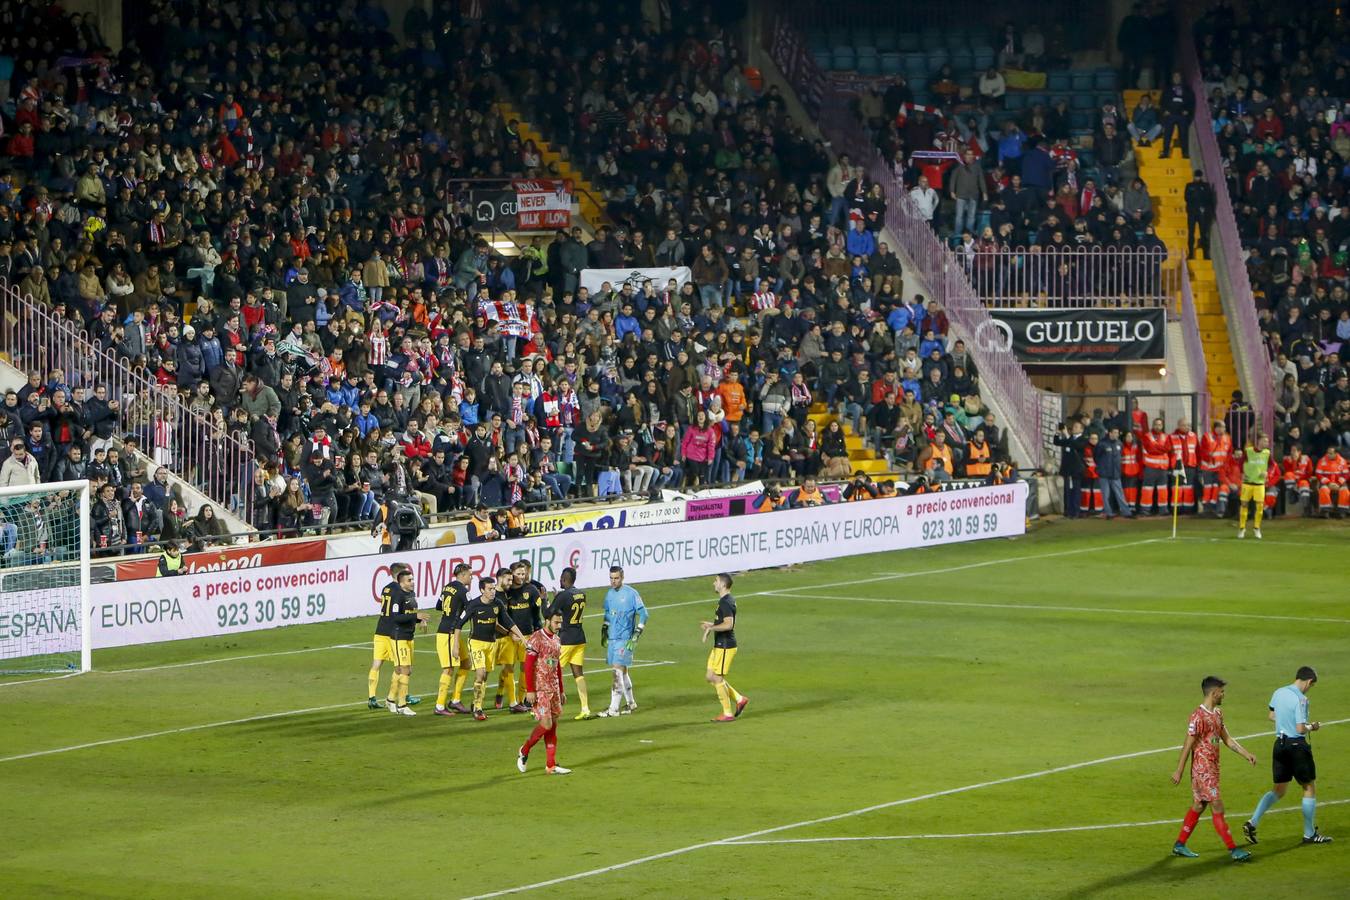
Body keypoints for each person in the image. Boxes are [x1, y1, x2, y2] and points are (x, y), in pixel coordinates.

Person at [1169, 675, 1256, 861]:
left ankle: (1179, 844)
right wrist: (1179, 770)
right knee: (1217, 805)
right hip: (1202, 770)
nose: (1224, 695)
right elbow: (1187, 744)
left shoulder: (1217, 714)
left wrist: (1246, 753)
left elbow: (1227, 740)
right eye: (1222, 691)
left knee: (1199, 805)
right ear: (1214, 692)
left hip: (1213, 769)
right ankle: (1234, 850)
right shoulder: (1198, 716)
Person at [1242, 666, 1332, 846]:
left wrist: (1287, 719)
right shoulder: (1301, 699)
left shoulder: (1279, 692)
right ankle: (1309, 834)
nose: (1309, 688)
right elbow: (1300, 729)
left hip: (1279, 746)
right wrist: (1312, 727)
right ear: (1308, 681)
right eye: (1311, 686)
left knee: (1278, 790)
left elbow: (1271, 715)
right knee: (1308, 787)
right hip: (1297, 747)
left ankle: (1252, 822)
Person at [458, 574, 526, 721]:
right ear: (482, 590)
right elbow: (459, 624)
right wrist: (455, 646)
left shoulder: (497, 604)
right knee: (480, 674)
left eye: (494, 588)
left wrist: (519, 636)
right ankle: (477, 708)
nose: (493, 591)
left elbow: (506, 621)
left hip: (491, 644)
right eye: (490, 589)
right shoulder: (474, 605)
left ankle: (476, 703)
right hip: (476, 642)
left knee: (485, 675)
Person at [516, 605, 571, 775]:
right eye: (556, 622)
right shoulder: (536, 639)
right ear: (547, 620)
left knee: (552, 725)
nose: (559, 626)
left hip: (553, 688)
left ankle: (551, 765)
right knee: (546, 723)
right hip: (540, 689)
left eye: (560, 623)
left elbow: (557, 666)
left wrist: (561, 689)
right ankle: (524, 750)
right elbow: (528, 665)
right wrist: (530, 690)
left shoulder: (556, 639)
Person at [371, 566, 428, 716]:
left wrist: (420, 621)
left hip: (409, 636)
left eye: (413, 579)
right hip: (398, 636)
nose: (413, 582)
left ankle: (390, 700)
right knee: (405, 670)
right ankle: (402, 705)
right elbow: (396, 617)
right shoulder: (397, 595)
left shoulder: (412, 594)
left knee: (401, 670)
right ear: (401, 582)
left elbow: (410, 613)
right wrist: (416, 617)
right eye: (409, 580)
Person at [599, 565, 648, 717]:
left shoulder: (632, 594)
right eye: (611, 578)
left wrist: (636, 634)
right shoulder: (609, 594)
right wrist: (604, 630)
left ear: (622, 577)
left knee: (616, 671)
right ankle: (631, 703)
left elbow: (644, 614)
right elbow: (608, 613)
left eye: (616, 578)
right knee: (623, 672)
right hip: (613, 638)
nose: (613, 581)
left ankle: (613, 709)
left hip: (625, 639)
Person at [499, 560, 544, 712]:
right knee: (508, 668)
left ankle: (521, 699)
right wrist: (508, 632)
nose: (521, 576)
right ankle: (509, 699)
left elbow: (536, 614)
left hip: (528, 635)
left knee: (526, 668)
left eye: (523, 573)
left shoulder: (531, 590)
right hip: (510, 637)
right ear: (512, 574)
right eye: (518, 574)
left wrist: (538, 630)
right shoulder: (507, 592)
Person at [702, 573, 748, 723]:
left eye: (715, 581)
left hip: (726, 646)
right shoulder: (725, 600)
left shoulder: (726, 602)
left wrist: (713, 628)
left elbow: (729, 625)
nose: (713, 583)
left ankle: (727, 713)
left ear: (722, 584)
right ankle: (739, 699)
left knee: (717, 678)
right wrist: (711, 626)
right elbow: (722, 622)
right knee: (710, 676)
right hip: (719, 645)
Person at [551, 566, 593, 720]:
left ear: (564, 579)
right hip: (580, 638)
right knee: (578, 674)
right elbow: (568, 610)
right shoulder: (581, 594)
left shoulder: (563, 595)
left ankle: (547, 707)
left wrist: (546, 600)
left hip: (566, 640)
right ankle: (585, 708)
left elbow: (548, 613)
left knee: (551, 672)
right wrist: (559, 599)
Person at [433, 563, 473, 716]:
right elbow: (471, 609)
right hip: (448, 633)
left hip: (449, 630)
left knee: (466, 663)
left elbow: (439, 605)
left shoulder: (447, 587)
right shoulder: (463, 590)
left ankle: (455, 700)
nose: (471, 577)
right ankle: (440, 705)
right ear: (462, 575)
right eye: (470, 574)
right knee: (448, 669)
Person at [1237, 433, 1271, 539]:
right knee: (1244, 505)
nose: (1267, 443)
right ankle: (1242, 528)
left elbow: (1273, 466)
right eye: (1265, 441)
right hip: (1247, 483)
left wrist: (1267, 473)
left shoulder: (1267, 453)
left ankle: (1257, 528)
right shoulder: (1248, 451)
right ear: (1259, 441)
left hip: (1260, 483)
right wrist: (1242, 473)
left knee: (1260, 506)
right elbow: (1240, 463)